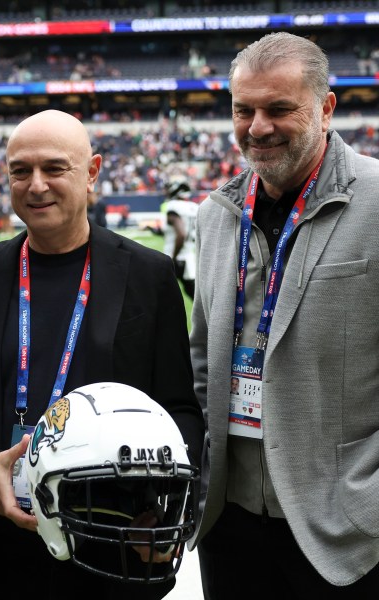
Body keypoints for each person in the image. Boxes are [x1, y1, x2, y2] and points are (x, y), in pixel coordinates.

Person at [0, 109, 204, 600]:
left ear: (93, 172)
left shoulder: (149, 276)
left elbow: (179, 407)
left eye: (55, 168)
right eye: (20, 170)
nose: (36, 185)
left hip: (115, 540)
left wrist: (161, 509)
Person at [189, 31, 379, 599]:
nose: (258, 126)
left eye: (278, 108)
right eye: (243, 109)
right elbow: (203, 356)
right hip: (231, 521)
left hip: (347, 532)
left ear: (325, 108)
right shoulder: (217, 214)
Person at [161, 180, 198, 299]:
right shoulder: (194, 207)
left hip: (176, 257)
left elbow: (181, 234)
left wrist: (173, 257)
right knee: (193, 293)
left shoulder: (173, 206)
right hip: (189, 256)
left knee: (161, 295)